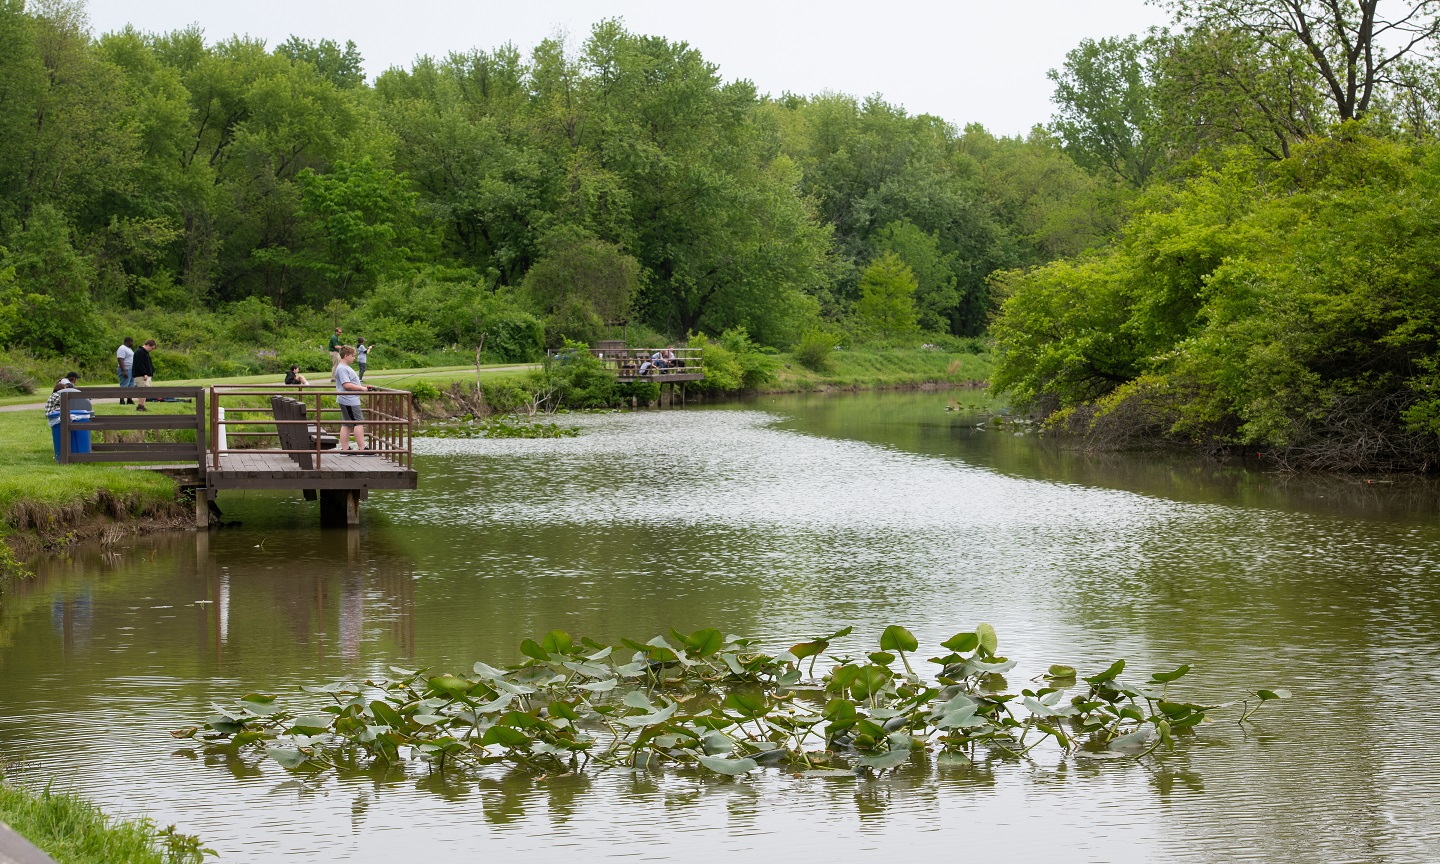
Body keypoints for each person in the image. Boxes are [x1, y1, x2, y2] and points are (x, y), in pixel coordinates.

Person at [333, 346, 371, 452]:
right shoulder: (342, 369)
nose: (354, 358)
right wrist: (362, 389)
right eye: (352, 356)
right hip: (349, 400)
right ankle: (362, 449)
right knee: (358, 422)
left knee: (346, 423)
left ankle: (345, 449)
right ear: (346, 356)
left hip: (347, 399)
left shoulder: (343, 367)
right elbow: (347, 385)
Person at [132, 339, 156, 411]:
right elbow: (140, 364)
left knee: (146, 391)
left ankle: (143, 405)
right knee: (143, 391)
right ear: (148, 345)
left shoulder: (145, 353)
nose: (152, 350)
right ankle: (140, 406)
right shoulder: (139, 352)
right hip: (141, 376)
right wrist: (144, 373)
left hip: (145, 376)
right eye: (152, 348)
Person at [116, 337, 135, 404]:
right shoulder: (122, 348)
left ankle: (129, 399)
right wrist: (124, 371)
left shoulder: (129, 349)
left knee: (131, 385)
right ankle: (122, 400)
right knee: (124, 385)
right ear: (129, 342)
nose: (133, 344)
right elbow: (120, 359)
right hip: (125, 369)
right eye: (132, 342)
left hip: (131, 369)